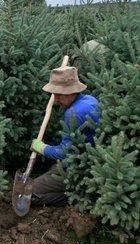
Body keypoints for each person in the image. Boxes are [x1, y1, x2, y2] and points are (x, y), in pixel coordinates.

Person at [30, 65, 100, 206]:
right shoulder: (90, 100)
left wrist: (42, 147)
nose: (55, 99)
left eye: (59, 94)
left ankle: (76, 197)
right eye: (54, 94)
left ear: (71, 92)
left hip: (80, 167)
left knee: (30, 193)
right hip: (88, 161)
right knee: (54, 169)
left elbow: (64, 152)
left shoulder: (74, 113)